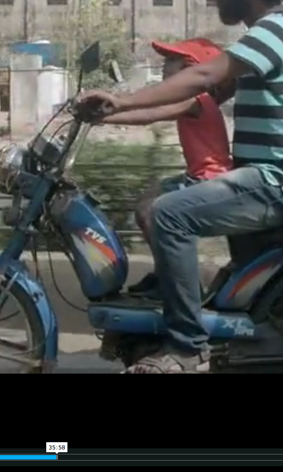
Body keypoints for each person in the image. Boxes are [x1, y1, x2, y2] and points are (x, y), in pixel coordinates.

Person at [77, 0, 283, 373]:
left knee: (169, 214)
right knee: (156, 202)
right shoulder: (266, 36)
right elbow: (200, 94)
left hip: (277, 183)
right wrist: (114, 112)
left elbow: (205, 75)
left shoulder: (276, 30)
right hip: (263, 178)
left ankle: (187, 348)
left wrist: (122, 99)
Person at [99, 37, 233, 298]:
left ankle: (181, 283)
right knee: (145, 205)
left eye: (171, 61)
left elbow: (148, 115)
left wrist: (102, 116)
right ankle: (165, 272)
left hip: (208, 179)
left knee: (150, 212)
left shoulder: (196, 99)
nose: (164, 66)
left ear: (190, 69)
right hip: (197, 175)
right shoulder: (196, 99)